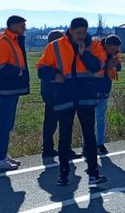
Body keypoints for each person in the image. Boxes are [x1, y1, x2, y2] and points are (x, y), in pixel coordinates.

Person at [36, 17, 108, 187]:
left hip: (85, 96)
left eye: (84, 32)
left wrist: (84, 54)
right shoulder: (55, 46)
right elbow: (41, 69)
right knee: (64, 136)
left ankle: (93, 174)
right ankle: (63, 175)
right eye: (78, 33)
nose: (81, 36)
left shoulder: (94, 45)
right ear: (70, 30)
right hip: (64, 96)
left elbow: (97, 66)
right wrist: (55, 75)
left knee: (89, 136)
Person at [0, 15, 30, 171]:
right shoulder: (4, 41)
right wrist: (19, 72)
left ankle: (2, 155)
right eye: (22, 26)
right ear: (13, 26)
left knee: (8, 124)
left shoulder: (12, 40)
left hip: (11, 88)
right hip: (7, 88)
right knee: (5, 124)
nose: (24, 29)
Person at [40, 30, 81, 160]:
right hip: (60, 93)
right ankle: (66, 150)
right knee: (65, 122)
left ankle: (47, 148)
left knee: (50, 122)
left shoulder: (46, 53)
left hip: (48, 92)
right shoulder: (60, 54)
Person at [95, 35, 123, 155]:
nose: (115, 51)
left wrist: (113, 65)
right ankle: (88, 145)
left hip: (105, 88)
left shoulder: (115, 53)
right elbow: (92, 67)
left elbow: (119, 66)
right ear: (106, 45)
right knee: (89, 119)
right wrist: (109, 65)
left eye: (116, 48)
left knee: (101, 118)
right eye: (113, 48)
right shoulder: (95, 50)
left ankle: (100, 144)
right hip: (91, 89)